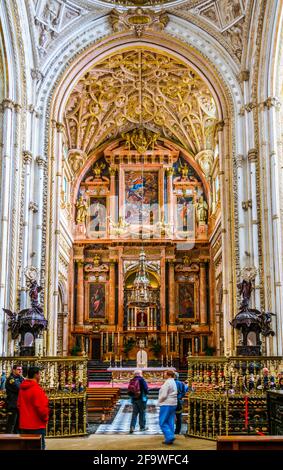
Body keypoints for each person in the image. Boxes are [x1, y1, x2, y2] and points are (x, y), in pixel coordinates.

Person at [17, 366, 49, 450]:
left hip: (24, 425)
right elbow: (42, 408)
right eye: (40, 374)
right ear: (36, 375)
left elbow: (19, 405)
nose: (40, 376)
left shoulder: (22, 389)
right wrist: (45, 419)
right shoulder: (36, 389)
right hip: (37, 426)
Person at [158, 370, 177, 445]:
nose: (164, 375)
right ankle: (170, 439)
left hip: (166, 403)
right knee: (170, 421)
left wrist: (159, 401)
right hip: (173, 403)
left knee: (162, 422)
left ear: (168, 375)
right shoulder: (173, 381)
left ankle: (169, 436)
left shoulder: (167, 382)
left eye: (165, 374)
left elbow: (164, 395)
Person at [128, 369, 148, 434]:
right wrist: (147, 392)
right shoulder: (142, 380)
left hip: (134, 399)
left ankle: (132, 427)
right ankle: (142, 427)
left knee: (134, 414)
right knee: (142, 413)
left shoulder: (132, 380)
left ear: (135, 374)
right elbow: (146, 389)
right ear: (140, 374)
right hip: (141, 399)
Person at [5, 364, 24, 433]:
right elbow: (19, 388)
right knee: (11, 424)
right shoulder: (11, 379)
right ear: (13, 370)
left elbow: (25, 385)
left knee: (18, 425)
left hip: (19, 404)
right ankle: (7, 441)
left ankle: (16, 441)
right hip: (12, 405)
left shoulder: (20, 378)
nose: (20, 371)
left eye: (21, 369)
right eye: (18, 369)